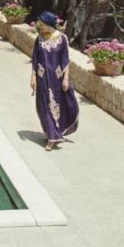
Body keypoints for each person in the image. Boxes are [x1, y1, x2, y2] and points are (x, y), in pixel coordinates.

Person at [30, 11, 79, 150]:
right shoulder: (39, 38)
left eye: (42, 24)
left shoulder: (62, 38)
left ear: (49, 24)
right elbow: (34, 59)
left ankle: (55, 134)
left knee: (57, 105)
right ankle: (52, 136)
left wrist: (66, 78)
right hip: (41, 77)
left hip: (56, 79)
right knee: (43, 106)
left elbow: (65, 60)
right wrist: (33, 77)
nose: (40, 26)